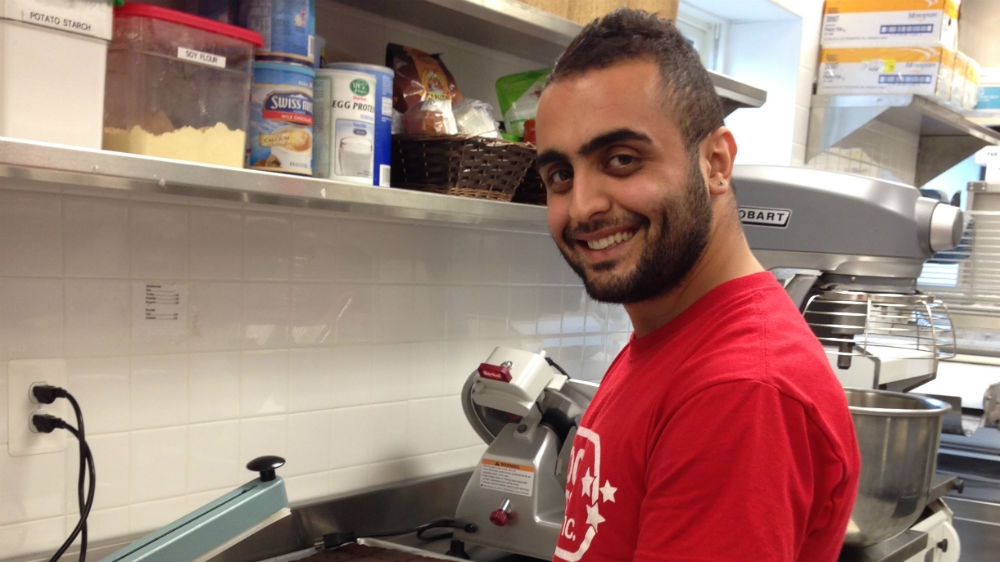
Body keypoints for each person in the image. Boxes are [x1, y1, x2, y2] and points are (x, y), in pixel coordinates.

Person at [533, 8, 861, 562]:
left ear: (715, 162)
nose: (583, 205)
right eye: (561, 175)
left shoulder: (739, 391)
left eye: (620, 159)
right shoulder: (671, 336)